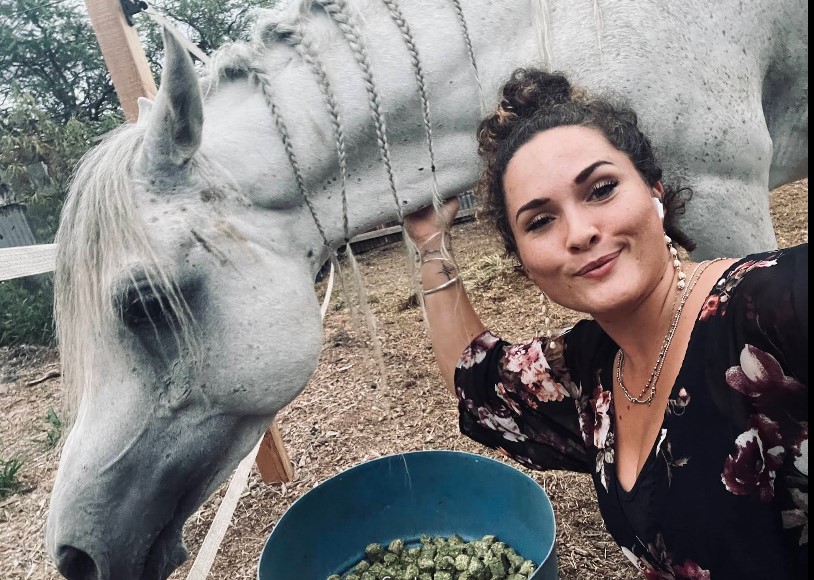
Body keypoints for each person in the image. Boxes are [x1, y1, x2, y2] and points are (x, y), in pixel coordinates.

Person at [403, 68, 808, 579]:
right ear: (523, 262)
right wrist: (431, 244)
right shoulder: (590, 374)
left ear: (654, 192)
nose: (579, 232)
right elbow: (477, 377)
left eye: (601, 189)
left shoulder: (776, 305)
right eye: (540, 221)